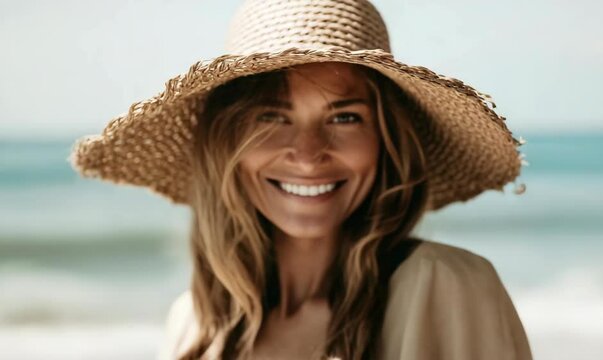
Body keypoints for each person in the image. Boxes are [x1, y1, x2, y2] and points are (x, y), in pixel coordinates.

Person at [69, 0, 532, 359]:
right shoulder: (193, 325)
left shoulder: (444, 285)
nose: (309, 155)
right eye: (273, 116)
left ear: (386, 140)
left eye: (345, 117)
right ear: (226, 142)